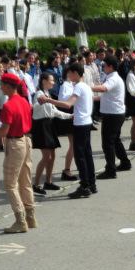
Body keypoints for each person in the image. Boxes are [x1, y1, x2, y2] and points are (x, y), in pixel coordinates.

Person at [0, 73, 36, 233]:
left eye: (2, 85)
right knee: (26, 181)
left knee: (10, 184)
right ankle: (30, 217)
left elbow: (3, 131)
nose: (0, 87)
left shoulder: (9, 106)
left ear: (9, 86)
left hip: (15, 143)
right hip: (25, 140)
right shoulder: (23, 101)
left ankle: (20, 220)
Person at [42, 63, 97, 198]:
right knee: (87, 154)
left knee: (81, 156)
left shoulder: (78, 86)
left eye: (70, 73)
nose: (68, 75)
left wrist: (49, 100)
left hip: (81, 124)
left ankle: (85, 186)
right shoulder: (85, 86)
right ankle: (91, 184)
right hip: (86, 122)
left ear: (76, 73)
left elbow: (67, 104)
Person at [30, 72, 68, 195]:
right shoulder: (39, 94)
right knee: (47, 156)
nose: (53, 82)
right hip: (41, 126)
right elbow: (34, 107)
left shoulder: (47, 94)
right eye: (52, 80)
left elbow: (54, 111)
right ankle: (35, 184)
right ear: (44, 81)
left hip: (49, 125)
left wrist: (69, 116)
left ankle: (48, 181)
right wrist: (39, 103)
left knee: (53, 155)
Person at [93, 65, 131, 179]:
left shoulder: (113, 78)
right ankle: (125, 162)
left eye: (104, 66)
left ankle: (110, 170)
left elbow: (103, 89)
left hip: (112, 114)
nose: (103, 68)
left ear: (110, 67)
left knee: (107, 143)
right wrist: (91, 97)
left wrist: (87, 86)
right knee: (115, 140)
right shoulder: (112, 77)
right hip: (115, 113)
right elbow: (105, 96)